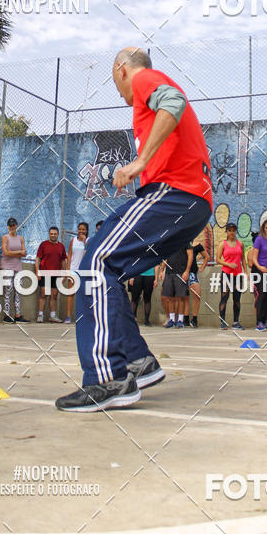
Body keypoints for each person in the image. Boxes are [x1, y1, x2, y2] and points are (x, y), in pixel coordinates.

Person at [55, 47, 212, 412]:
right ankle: (137, 361)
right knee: (105, 267)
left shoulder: (143, 79)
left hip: (175, 194)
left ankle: (107, 379)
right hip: (189, 202)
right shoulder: (144, 99)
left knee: (94, 263)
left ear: (122, 69)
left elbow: (173, 101)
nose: (119, 92)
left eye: (115, 81)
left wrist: (139, 161)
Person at [216, 222, 245, 330]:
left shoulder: (240, 243)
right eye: (230, 230)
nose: (232, 232)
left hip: (238, 275)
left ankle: (236, 322)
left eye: (233, 230)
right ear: (227, 232)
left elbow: (243, 259)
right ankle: (222, 321)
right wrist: (228, 264)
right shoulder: (223, 244)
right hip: (226, 274)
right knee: (224, 297)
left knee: (237, 299)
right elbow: (217, 259)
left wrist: (245, 272)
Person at [35, 227, 67, 323]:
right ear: (49, 234)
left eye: (55, 234)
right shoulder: (43, 244)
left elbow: (63, 260)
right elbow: (37, 259)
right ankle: (40, 315)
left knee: (54, 295)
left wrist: (64, 273)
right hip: (44, 272)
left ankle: (52, 316)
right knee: (43, 294)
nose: (53, 235)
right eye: (51, 233)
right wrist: (37, 272)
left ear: (58, 234)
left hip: (56, 274)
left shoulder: (61, 246)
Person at [0, 218, 28, 322]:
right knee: (8, 290)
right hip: (7, 267)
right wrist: (19, 252)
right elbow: (6, 253)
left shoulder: (20, 238)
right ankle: (6, 315)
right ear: (8, 227)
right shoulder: (5, 237)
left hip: (17, 267)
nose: (12, 227)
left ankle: (17, 315)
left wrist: (18, 252)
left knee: (18, 291)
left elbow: (24, 252)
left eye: (13, 225)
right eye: (10, 226)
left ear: (16, 226)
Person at [160, 246, 193, 328]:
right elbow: (166, 257)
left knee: (181, 297)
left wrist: (187, 271)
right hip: (169, 273)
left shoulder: (186, 241)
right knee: (170, 297)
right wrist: (161, 270)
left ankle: (180, 320)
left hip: (181, 272)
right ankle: (172, 320)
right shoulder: (171, 241)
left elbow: (190, 256)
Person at [65, 222, 89, 324]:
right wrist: (68, 269)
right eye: (80, 229)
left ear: (87, 230)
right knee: (70, 294)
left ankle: (82, 316)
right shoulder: (73, 240)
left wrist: (85, 243)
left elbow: (89, 253)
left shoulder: (89, 241)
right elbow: (69, 255)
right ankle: (68, 316)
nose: (81, 231)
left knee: (83, 295)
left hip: (84, 271)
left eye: (83, 229)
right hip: (73, 270)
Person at [184, 239, 208, 327]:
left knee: (197, 295)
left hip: (193, 273)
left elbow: (206, 257)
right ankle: (185, 319)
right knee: (184, 296)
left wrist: (201, 268)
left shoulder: (197, 245)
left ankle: (194, 319)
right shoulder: (182, 242)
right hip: (182, 272)